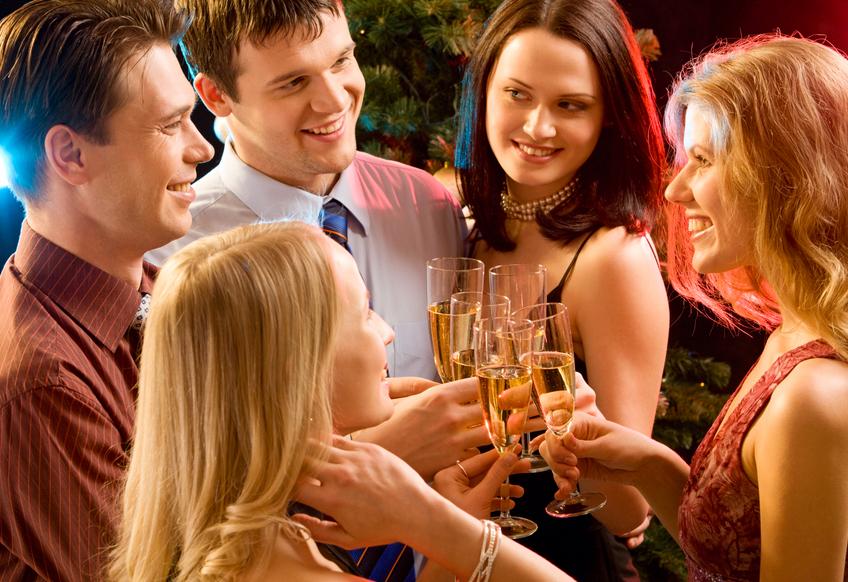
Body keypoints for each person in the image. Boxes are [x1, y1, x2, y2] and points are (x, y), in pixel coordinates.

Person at [110, 221, 573, 582]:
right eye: (365, 312)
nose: (387, 331)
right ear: (300, 364)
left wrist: (445, 540)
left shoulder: (232, 542)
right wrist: (434, 524)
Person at [542, 35, 848, 581]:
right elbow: (738, 553)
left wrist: (468, 544)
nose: (675, 190)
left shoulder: (814, 394)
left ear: (786, 176)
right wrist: (648, 464)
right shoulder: (794, 335)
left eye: (703, 160)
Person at [0, 0, 215, 579]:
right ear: (70, 155)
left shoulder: (162, 292)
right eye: (170, 124)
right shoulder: (43, 385)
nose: (202, 148)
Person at [455, 0, 668, 577]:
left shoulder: (613, 258)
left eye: (570, 105)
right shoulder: (464, 221)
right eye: (517, 94)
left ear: (609, 117)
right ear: (485, 90)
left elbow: (631, 511)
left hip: (570, 562)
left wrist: (574, 436)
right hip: (469, 556)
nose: (537, 127)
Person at [149, 0, 464, 381]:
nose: (336, 100)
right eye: (294, 82)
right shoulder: (170, 255)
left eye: (341, 61)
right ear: (216, 95)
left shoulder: (427, 207)